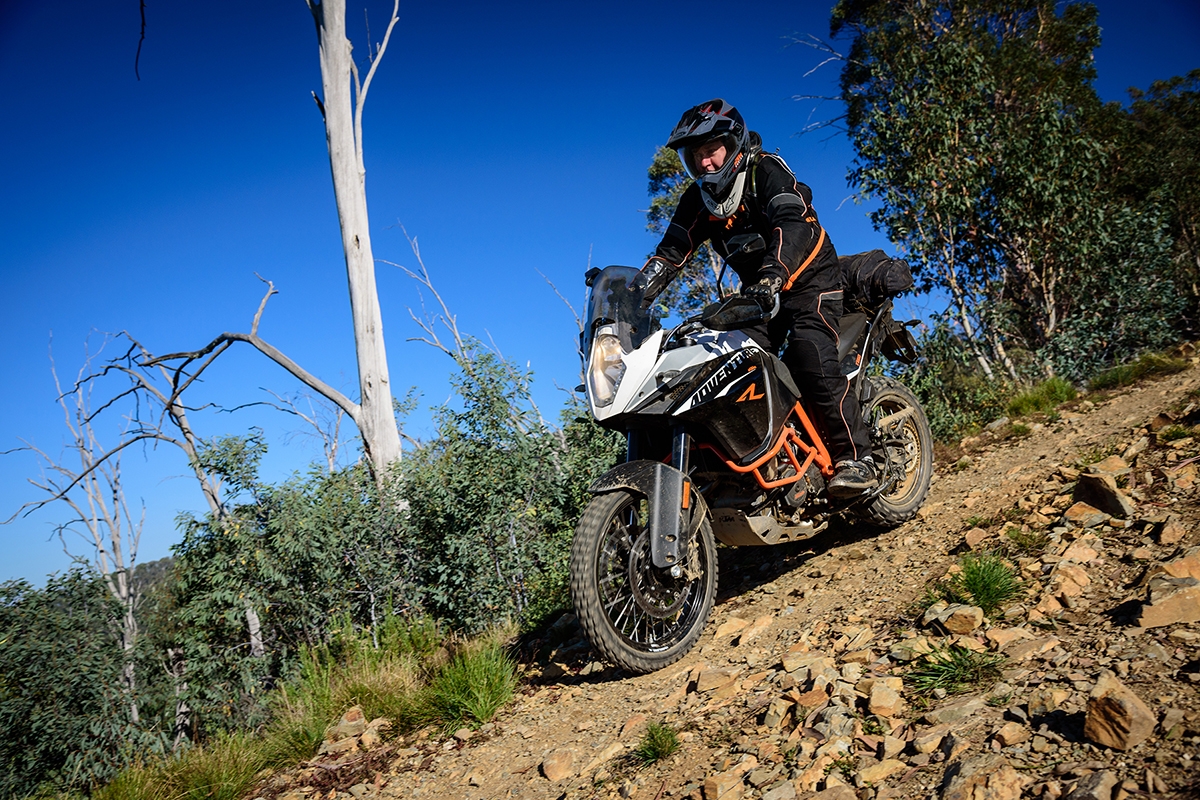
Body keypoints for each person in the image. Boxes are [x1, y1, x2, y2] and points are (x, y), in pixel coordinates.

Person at [633, 99, 876, 497]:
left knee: (809, 354)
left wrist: (773, 273)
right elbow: (671, 253)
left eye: (711, 150)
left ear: (734, 144)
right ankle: (763, 461)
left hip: (810, 280)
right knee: (723, 359)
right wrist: (632, 297)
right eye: (695, 156)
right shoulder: (698, 200)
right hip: (759, 293)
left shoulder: (766, 171)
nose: (705, 163)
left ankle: (857, 458)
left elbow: (792, 224)